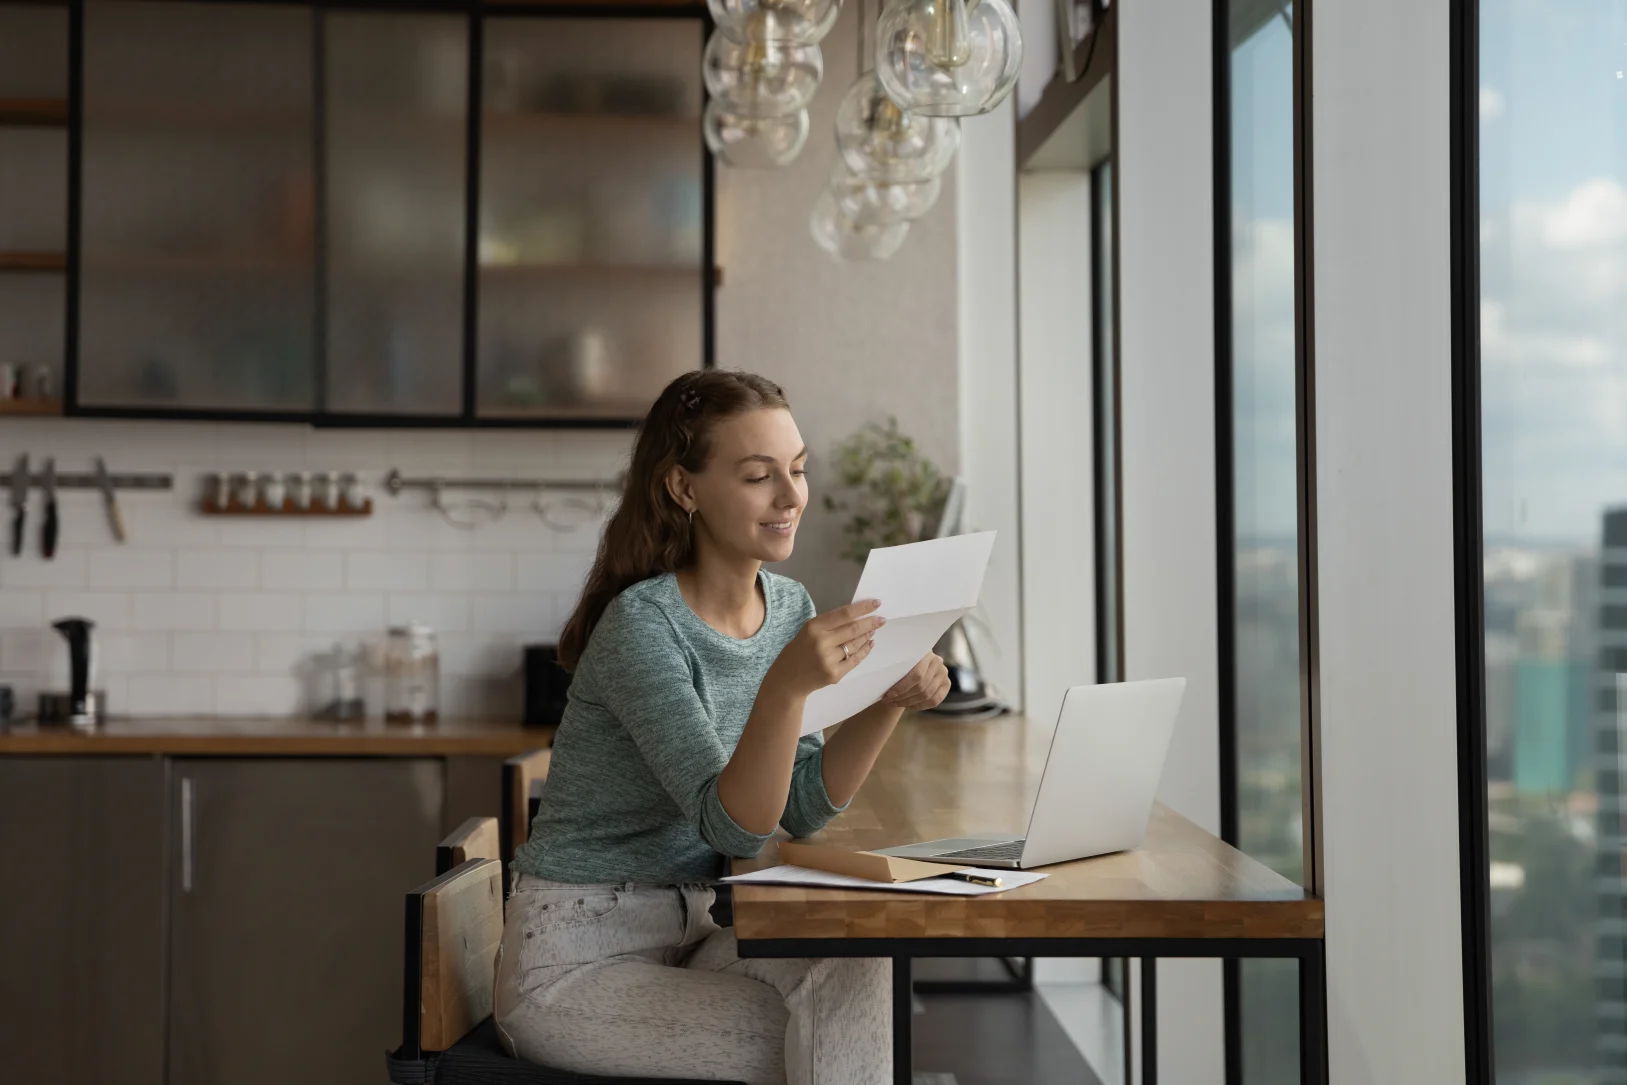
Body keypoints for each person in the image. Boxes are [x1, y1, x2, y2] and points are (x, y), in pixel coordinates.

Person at [493, 370, 951, 1085]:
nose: (790, 496)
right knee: (813, 1038)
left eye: (797, 470)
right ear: (684, 488)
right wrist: (787, 685)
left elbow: (797, 806)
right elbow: (732, 827)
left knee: (865, 969)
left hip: (701, 929)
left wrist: (886, 699)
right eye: (758, 476)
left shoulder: (789, 604)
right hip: (577, 958)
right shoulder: (641, 627)